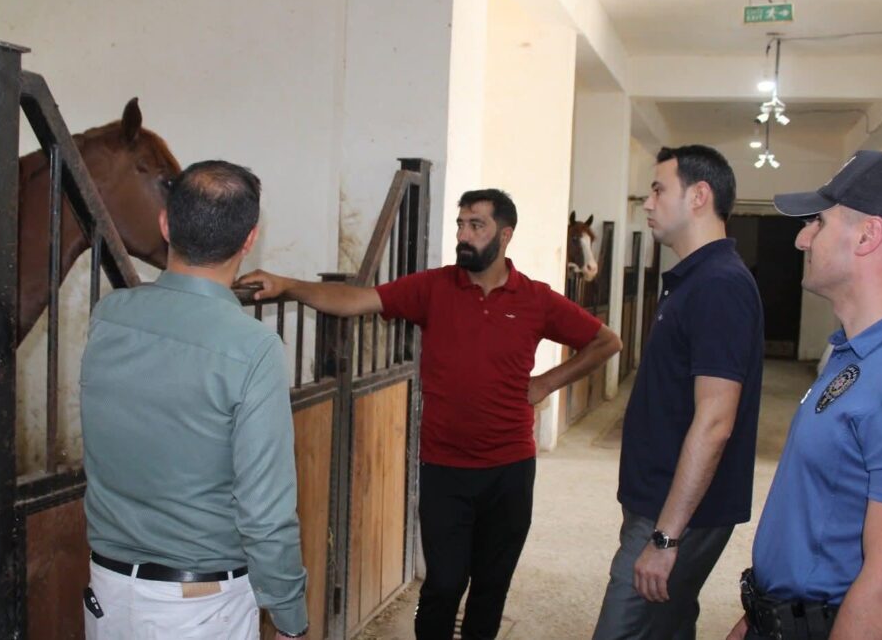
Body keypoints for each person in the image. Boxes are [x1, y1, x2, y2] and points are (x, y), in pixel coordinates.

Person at [239, 188, 621, 640]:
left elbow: (606, 341)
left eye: (476, 226)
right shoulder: (434, 288)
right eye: (460, 224)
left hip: (510, 469)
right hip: (445, 469)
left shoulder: (535, 298)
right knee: (443, 583)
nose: (463, 235)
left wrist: (546, 383)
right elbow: (354, 300)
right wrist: (288, 285)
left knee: (492, 586)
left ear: (505, 235)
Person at [729, 151, 882, 640]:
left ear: (868, 235)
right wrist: (756, 616)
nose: (802, 238)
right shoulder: (857, 355)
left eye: (818, 222)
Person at [80, 160, 309, 640]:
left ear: (165, 224)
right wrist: (289, 616)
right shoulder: (253, 348)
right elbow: (265, 514)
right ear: (249, 240)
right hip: (199, 607)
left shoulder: (109, 316)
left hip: (108, 591)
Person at [592, 145, 764, 640]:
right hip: (662, 500)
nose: (647, 203)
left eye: (658, 189)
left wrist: (666, 538)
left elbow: (715, 421)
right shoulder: (696, 279)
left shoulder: (719, 285)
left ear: (699, 196)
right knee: (666, 627)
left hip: (678, 512)